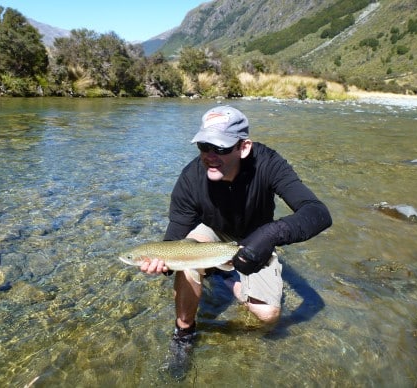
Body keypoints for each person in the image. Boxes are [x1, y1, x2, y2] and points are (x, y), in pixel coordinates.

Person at [141, 105, 332, 353]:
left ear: (244, 147)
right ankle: (184, 331)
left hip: (256, 238)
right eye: (203, 147)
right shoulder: (190, 178)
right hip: (211, 231)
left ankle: (225, 278)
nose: (210, 155)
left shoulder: (268, 164)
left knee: (268, 316)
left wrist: (269, 235)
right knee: (187, 262)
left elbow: (317, 212)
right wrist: (163, 263)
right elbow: (175, 236)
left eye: (220, 148)